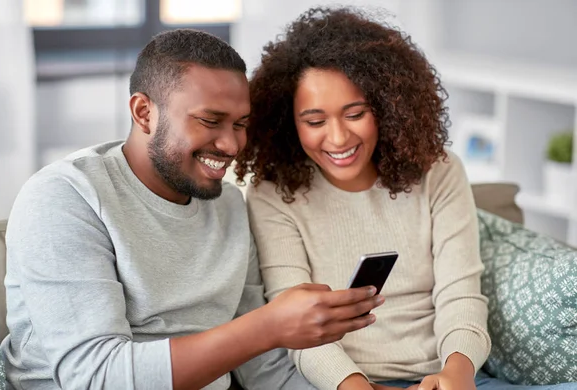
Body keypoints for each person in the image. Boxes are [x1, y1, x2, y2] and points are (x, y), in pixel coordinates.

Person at [0, 29, 384, 390]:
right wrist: (267, 327)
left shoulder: (230, 206)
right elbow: (96, 376)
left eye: (240, 124)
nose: (232, 145)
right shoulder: (65, 197)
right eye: (210, 121)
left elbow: (263, 367)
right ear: (144, 113)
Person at [236, 6, 576, 390]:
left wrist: (456, 374)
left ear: (385, 106)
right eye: (314, 121)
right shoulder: (274, 194)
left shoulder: (439, 171)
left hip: (450, 377)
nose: (337, 138)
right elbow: (298, 330)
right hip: (345, 383)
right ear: (288, 120)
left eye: (355, 114)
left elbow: (461, 295)